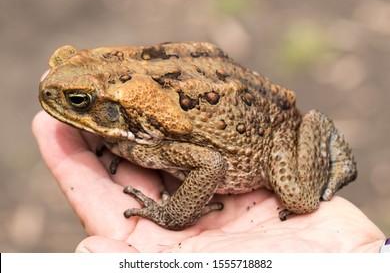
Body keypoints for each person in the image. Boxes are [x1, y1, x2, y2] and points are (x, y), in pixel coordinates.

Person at [32, 111, 386, 253]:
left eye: (79, 102)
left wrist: (173, 214)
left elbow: (211, 163)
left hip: (265, 132)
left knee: (299, 198)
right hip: (199, 108)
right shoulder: (142, 120)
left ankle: (321, 130)